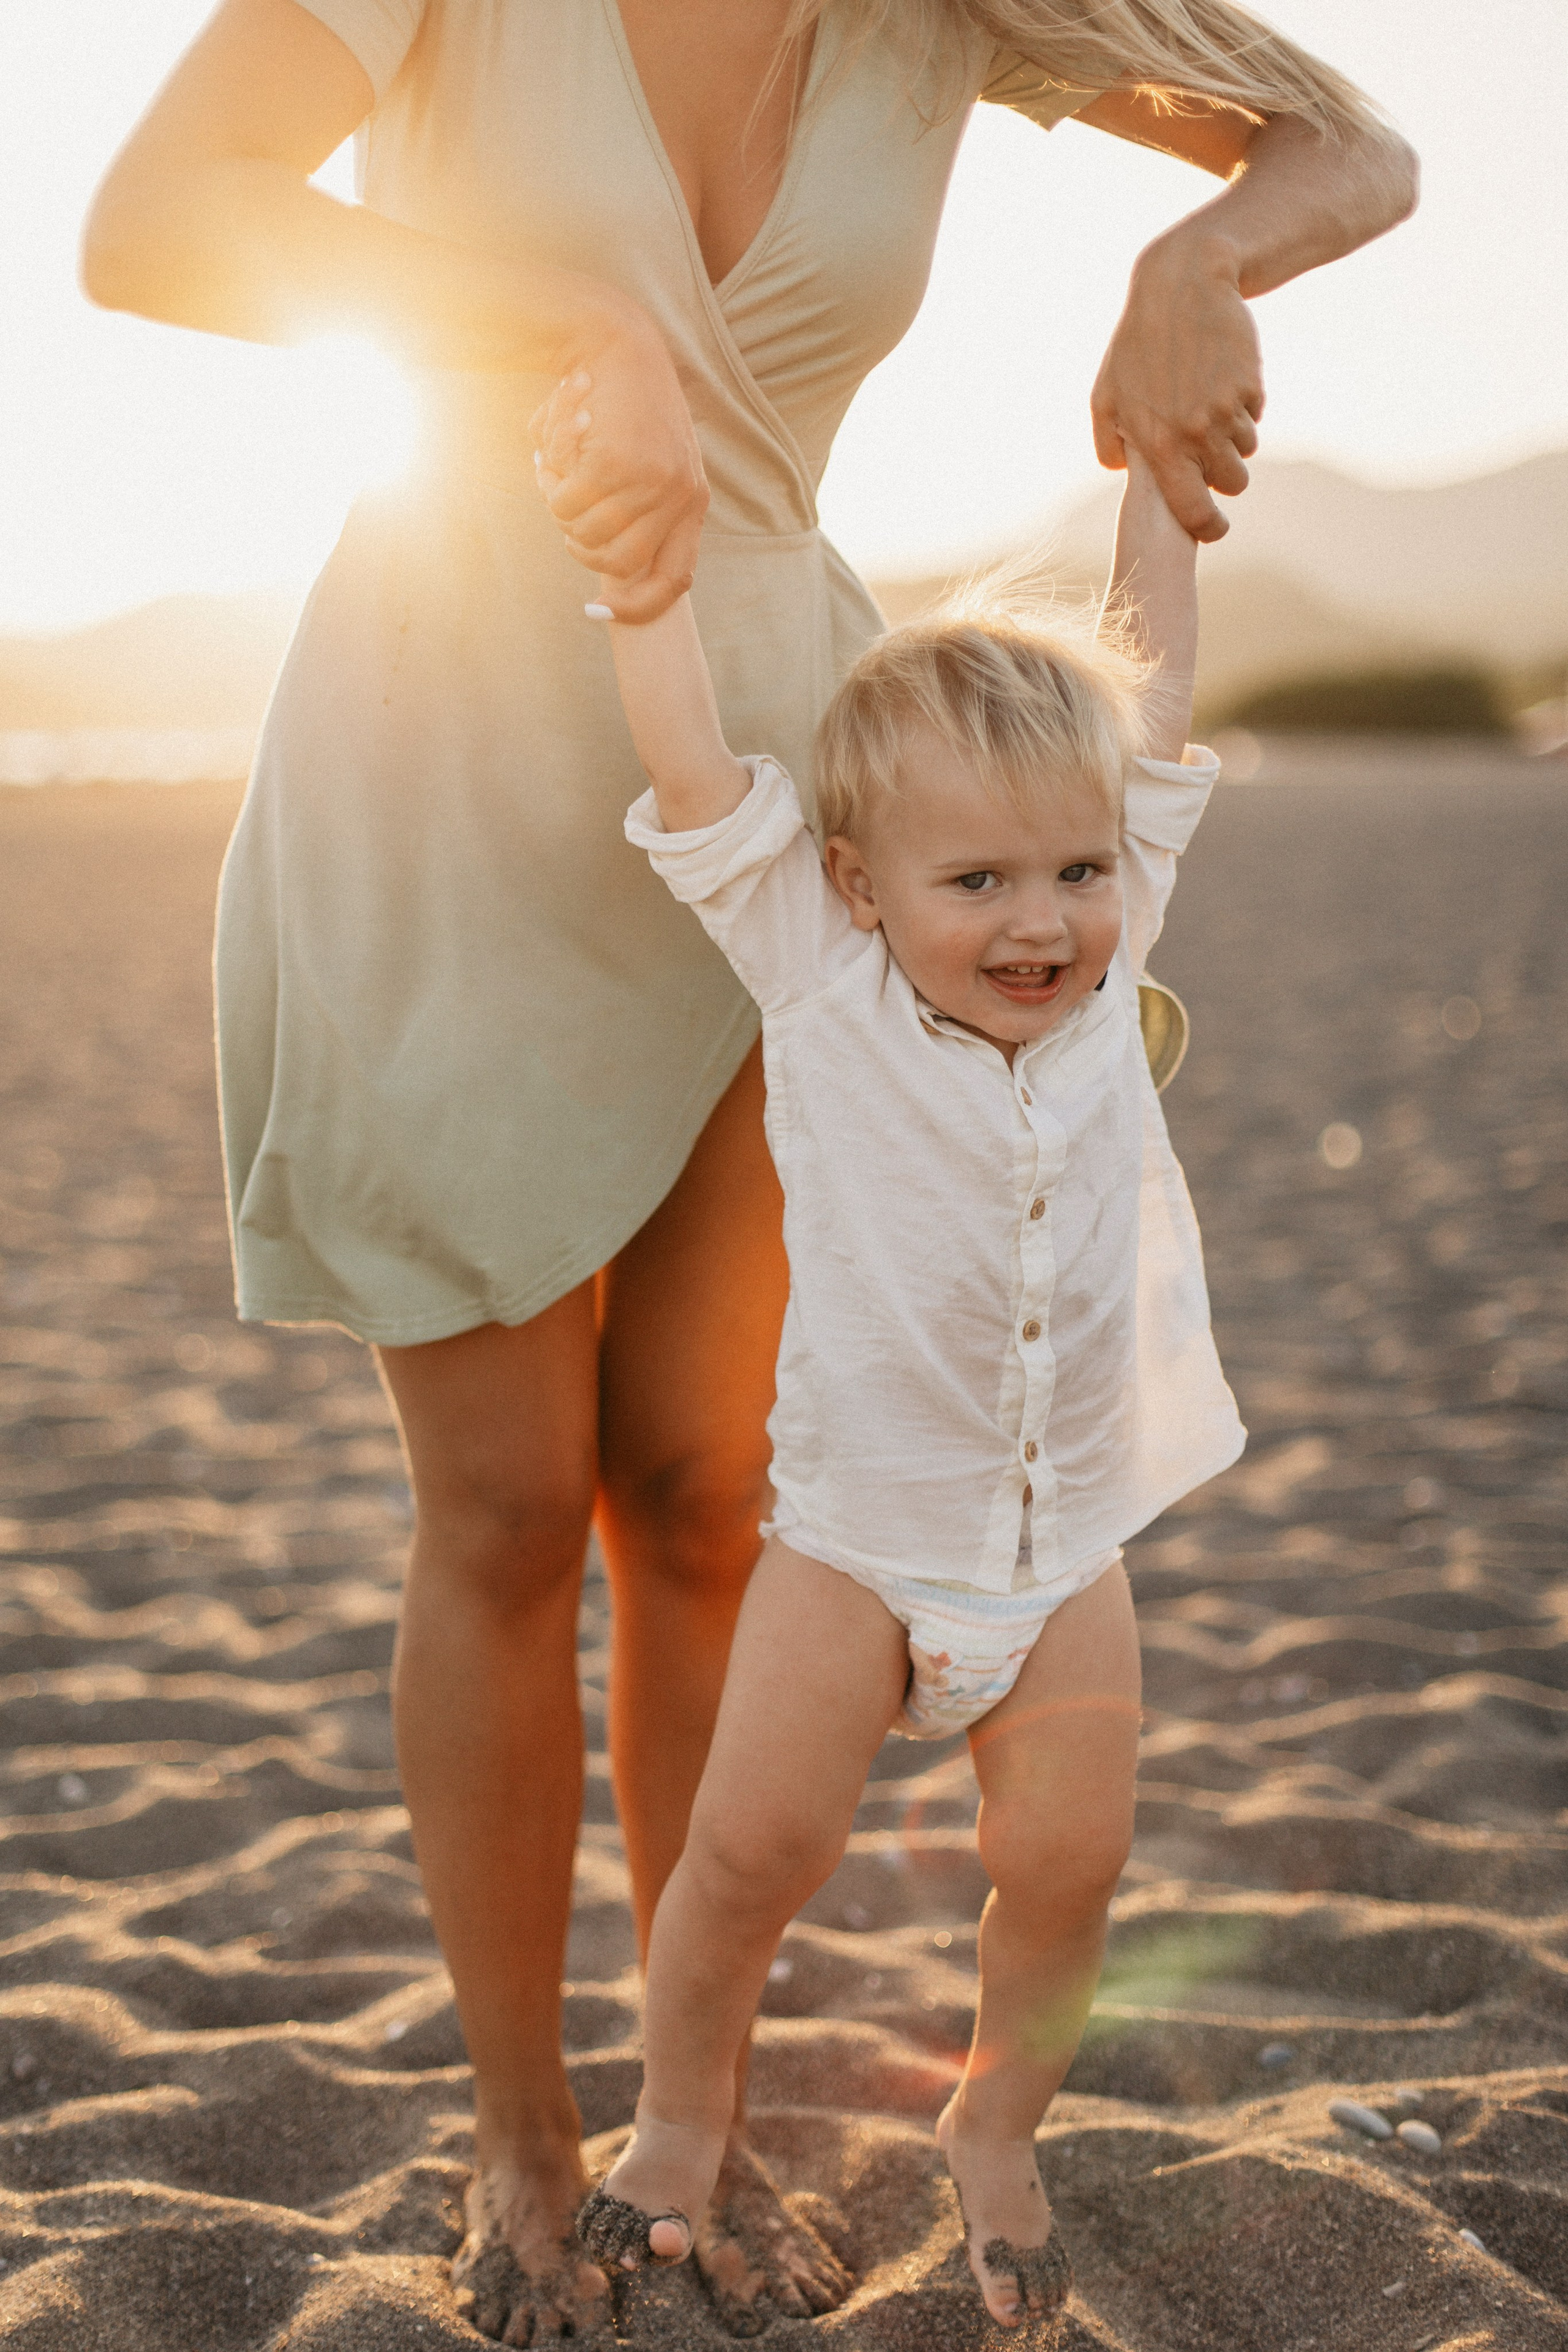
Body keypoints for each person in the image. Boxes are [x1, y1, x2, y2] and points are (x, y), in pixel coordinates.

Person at [81, 2, 1415, 2338]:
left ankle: (684, 2116)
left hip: (780, 775)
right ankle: (521, 2133)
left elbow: (1351, 148)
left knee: (711, 1498)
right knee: (500, 1510)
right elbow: (149, 226)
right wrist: (546, 308)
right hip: (443, 750)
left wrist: (1210, 255)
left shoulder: (945, 19)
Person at [536, 437, 1229, 2328]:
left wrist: (1159, 505)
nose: (1045, 922)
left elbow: (1151, 693)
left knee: (1071, 1867)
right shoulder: (817, 973)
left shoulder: (1116, 944)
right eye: (981, 878)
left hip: (1063, 1547)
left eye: (1079, 872)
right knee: (750, 1852)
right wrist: (649, 591)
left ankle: (995, 2122)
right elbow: (694, 772)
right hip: (853, 1550)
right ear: (855, 883)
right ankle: (682, 2116)